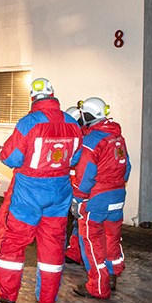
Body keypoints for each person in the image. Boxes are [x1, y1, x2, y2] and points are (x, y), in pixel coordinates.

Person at [0, 78, 83, 303]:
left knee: (13, 245)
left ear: (33, 97)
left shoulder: (29, 122)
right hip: (60, 194)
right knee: (53, 247)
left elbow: (10, 157)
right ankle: (46, 301)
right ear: (53, 94)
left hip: (28, 195)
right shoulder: (72, 123)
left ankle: (8, 296)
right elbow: (74, 158)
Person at [70, 97, 131, 300]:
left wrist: (77, 198)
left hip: (96, 199)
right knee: (112, 238)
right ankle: (112, 277)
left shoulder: (92, 141)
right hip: (117, 197)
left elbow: (86, 174)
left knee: (92, 242)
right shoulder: (118, 138)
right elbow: (126, 169)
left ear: (87, 115)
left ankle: (98, 286)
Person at [63, 105, 85, 266]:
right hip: (72, 187)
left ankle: (72, 253)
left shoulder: (82, 139)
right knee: (76, 223)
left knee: (77, 222)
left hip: (76, 189)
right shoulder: (79, 136)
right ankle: (73, 253)